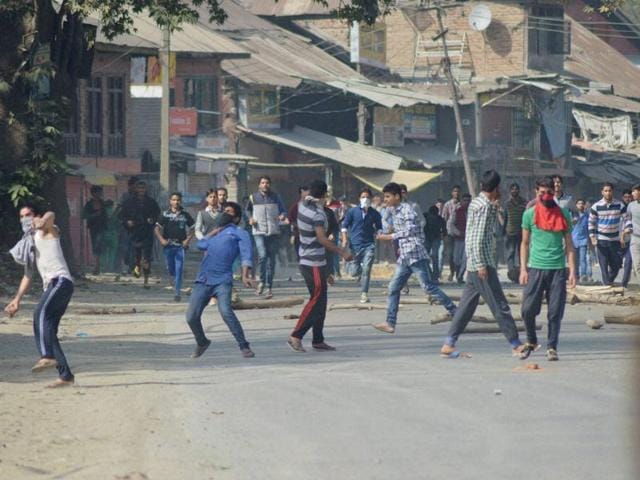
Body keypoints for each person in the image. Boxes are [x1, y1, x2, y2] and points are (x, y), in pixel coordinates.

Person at [440, 171, 525, 358]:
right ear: (496, 188)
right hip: (482, 264)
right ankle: (515, 343)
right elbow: (476, 237)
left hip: (475, 263)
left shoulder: (478, 203)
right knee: (499, 304)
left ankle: (449, 343)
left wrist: (496, 206)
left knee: (466, 307)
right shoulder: (483, 207)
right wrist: (480, 265)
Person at [5, 205, 75, 388]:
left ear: (35, 215)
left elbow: (52, 215)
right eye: (21, 216)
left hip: (60, 281)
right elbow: (28, 275)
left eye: (28, 215)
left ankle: (47, 356)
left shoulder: (48, 231)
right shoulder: (30, 242)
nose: (25, 219)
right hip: (51, 286)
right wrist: (16, 300)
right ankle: (65, 375)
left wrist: (42, 220)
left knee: (39, 314)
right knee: (49, 331)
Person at [373, 182, 457, 334]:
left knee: (428, 287)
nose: (385, 199)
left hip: (415, 254)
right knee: (393, 288)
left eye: (388, 196)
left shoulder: (407, 209)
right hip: (405, 256)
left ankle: (455, 312)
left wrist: (389, 236)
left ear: (397, 196)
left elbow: (411, 229)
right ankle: (390, 323)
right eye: (384, 196)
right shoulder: (391, 210)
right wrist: (381, 230)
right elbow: (385, 224)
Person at [288, 180, 353, 353]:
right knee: (316, 301)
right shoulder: (317, 215)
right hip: (313, 261)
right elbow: (323, 239)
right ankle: (296, 335)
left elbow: (306, 200)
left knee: (321, 301)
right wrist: (342, 252)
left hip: (309, 260)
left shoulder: (302, 205)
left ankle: (318, 339)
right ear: (325, 195)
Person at [185, 202, 256, 359]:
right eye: (224, 211)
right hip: (203, 279)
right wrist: (213, 232)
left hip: (222, 279)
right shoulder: (215, 233)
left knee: (225, 311)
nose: (224, 214)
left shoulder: (239, 233)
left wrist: (245, 275)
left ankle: (244, 345)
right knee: (191, 316)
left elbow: (246, 255)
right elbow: (200, 245)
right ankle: (202, 341)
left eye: (229, 212)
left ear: (236, 218)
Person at [519, 177, 576, 362]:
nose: (545, 196)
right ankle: (531, 340)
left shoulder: (564, 214)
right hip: (535, 268)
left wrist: (573, 271)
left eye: (549, 192)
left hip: (558, 269)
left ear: (555, 193)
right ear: (536, 192)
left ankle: (552, 346)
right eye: (542, 192)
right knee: (527, 310)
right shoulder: (529, 214)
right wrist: (523, 269)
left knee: (555, 312)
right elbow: (525, 243)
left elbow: (569, 245)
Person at [246, 176, 287, 299]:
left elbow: (283, 211)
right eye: (263, 183)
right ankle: (262, 281)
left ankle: (269, 286)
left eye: (267, 183)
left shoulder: (276, 197)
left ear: (270, 184)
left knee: (271, 260)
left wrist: (282, 216)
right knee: (263, 255)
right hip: (258, 231)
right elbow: (247, 210)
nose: (265, 185)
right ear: (259, 185)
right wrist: (250, 219)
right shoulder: (253, 197)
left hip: (273, 231)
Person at [341, 188, 383, 303]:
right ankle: (355, 267)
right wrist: (344, 239)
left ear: (371, 199)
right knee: (354, 272)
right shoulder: (352, 212)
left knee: (367, 269)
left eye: (368, 197)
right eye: (363, 197)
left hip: (369, 245)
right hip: (355, 246)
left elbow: (379, 227)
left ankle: (364, 293)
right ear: (359, 199)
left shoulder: (375, 214)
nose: (365, 199)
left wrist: (379, 234)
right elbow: (344, 226)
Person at [155, 192, 195, 302]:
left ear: (181, 201)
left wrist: (187, 240)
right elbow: (157, 229)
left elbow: (193, 228)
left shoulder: (185, 215)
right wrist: (162, 240)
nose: (176, 202)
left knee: (179, 269)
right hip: (168, 245)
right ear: (170, 201)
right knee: (171, 268)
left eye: (178, 200)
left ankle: (177, 292)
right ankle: (173, 278)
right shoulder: (165, 214)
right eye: (174, 200)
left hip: (180, 246)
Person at [120, 181, 161, 288]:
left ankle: (146, 280)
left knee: (146, 257)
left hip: (147, 232)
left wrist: (152, 220)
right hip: (134, 232)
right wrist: (128, 222)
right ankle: (136, 266)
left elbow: (157, 214)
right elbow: (122, 216)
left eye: (143, 188)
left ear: (146, 189)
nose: (141, 190)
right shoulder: (129, 202)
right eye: (139, 188)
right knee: (135, 256)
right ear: (136, 189)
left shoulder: (151, 202)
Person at [589, 182, 626, 286]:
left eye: (609, 191)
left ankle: (608, 281)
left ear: (612, 192)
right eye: (606, 191)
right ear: (602, 192)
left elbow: (626, 219)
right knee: (603, 265)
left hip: (615, 240)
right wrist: (592, 237)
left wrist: (627, 230)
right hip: (602, 240)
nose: (608, 193)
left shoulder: (619, 205)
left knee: (617, 264)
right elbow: (591, 223)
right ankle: (607, 285)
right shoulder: (596, 206)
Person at [503, 183, 527, 283]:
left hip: (521, 231)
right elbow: (505, 218)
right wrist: (503, 231)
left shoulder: (524, 203)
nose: (514, 190)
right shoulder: (507, 203)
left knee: (521, 252)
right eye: (512, 189)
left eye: (516, 189)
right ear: (510, 191)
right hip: (510, 232)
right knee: (511, 252)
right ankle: (512, 273)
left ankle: (521, 271)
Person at [82, 185, 108, 274]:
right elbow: (84, 215)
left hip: (102, 228)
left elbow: (106, 216)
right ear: (93, 193)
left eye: (101, 192)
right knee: (96, 245)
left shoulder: (102, 203)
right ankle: (97, 266)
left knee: (99, 245)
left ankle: (98, 266)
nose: (100, 194)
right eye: (98, 192)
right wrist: (94, 215)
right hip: (93, 228)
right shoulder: (89, 204)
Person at [447, 193, 471, 284]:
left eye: (468, 200)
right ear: (461, 201)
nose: (467, 202)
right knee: (456, 259)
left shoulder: (473, 211)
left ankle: (460, 276)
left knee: (465, 259)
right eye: (465, 200)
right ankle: (457, 273)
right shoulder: (457, 211)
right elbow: (451, 224)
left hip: (468, 239)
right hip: (458, 239)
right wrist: (458, 232)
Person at [442, 185, 462, 282]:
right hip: (449, 232)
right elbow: (444, 218)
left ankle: (458, 274)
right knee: (450, 254)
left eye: (458, 191)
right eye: (455, 191)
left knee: (458, 255)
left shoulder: (462, 204)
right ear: (452, 193)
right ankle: (452, 272)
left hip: (460, 233)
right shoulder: (447, 204)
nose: (456, 193)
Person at [423, 205, 446, 282]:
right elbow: (445, 231)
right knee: (434, 257)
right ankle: (434, 276)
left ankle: (431, 275)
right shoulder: (439, 218)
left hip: (431, 239)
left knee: (428, 257)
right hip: (433, 239)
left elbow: (444, 231)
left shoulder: (426, 216)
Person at [572, 199, 592, 283]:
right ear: (576, 205)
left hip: (583, 240)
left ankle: (583, 275)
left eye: (582, 203)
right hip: (573, 240)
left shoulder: (587, 216)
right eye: (579, 203)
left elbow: (589, 228)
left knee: (583, 259)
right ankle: (575, 275)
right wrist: (572, 221)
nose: (580, 205)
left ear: (585, 205)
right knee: (574, 259)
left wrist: (590, 240)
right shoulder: (572, 215)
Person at [288, 185, 309, 260]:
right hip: (299, 236)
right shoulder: (295, 207)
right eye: (306, 191)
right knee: (300, 256)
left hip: (311, 236)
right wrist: (298, 227)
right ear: (301, 193)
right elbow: (291, 220)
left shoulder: (313, 206)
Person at [624, 184, 640, 285]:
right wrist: (628, 227)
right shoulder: (631, 205)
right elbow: (628, 219)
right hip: (635, 239)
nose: (632, 193)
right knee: (637, 265)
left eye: (635, 191)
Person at [621, 189, 633, 288]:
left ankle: (624, 284)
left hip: (631, 240)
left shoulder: (634, 208)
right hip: (619, 240)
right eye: (625, 197)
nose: (627, 199)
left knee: (628, 262)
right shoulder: (619, 208)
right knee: (616, 262)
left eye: (629, 197)